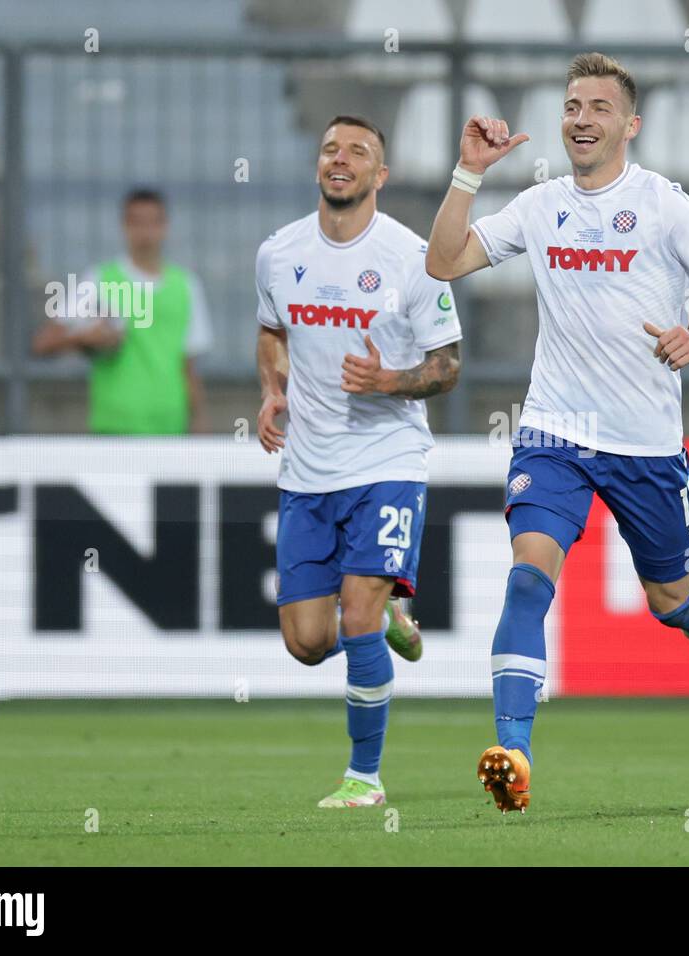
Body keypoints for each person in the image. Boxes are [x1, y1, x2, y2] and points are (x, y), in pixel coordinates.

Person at [426, 52, 689, 814]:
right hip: (554, 433)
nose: (581, 118)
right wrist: (467, 173)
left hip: (644, 444)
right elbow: (444, 261)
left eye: (598, 107)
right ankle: (514, 751)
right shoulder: (540, 206)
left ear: (629, 125)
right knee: (527, 575)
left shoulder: (667, 206)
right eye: (573, 105)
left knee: (670, 599)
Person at [255, 116, 462, 809]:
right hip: (308, 473)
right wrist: (272, 389)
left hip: (387, 461)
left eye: (358, 153)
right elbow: (271, 330)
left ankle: (364, 780)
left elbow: (447, 365)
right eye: (330, 149)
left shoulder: (413, 257)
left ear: (381, 175)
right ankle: (390, 625)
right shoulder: (279, 253)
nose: (339, 160)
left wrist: (389, 383)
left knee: (356, 615)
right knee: (308, 642)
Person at [31, 188, 213, 434]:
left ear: (165, 226)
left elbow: (188, 366)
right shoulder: (99, 280)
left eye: (152, 222)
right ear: (124, 226)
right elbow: (43, 343)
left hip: (170, 427)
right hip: (114, 427)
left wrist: (200, 425)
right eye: (136, 222)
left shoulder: (186, 286)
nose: (145, 232)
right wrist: (84, 338)